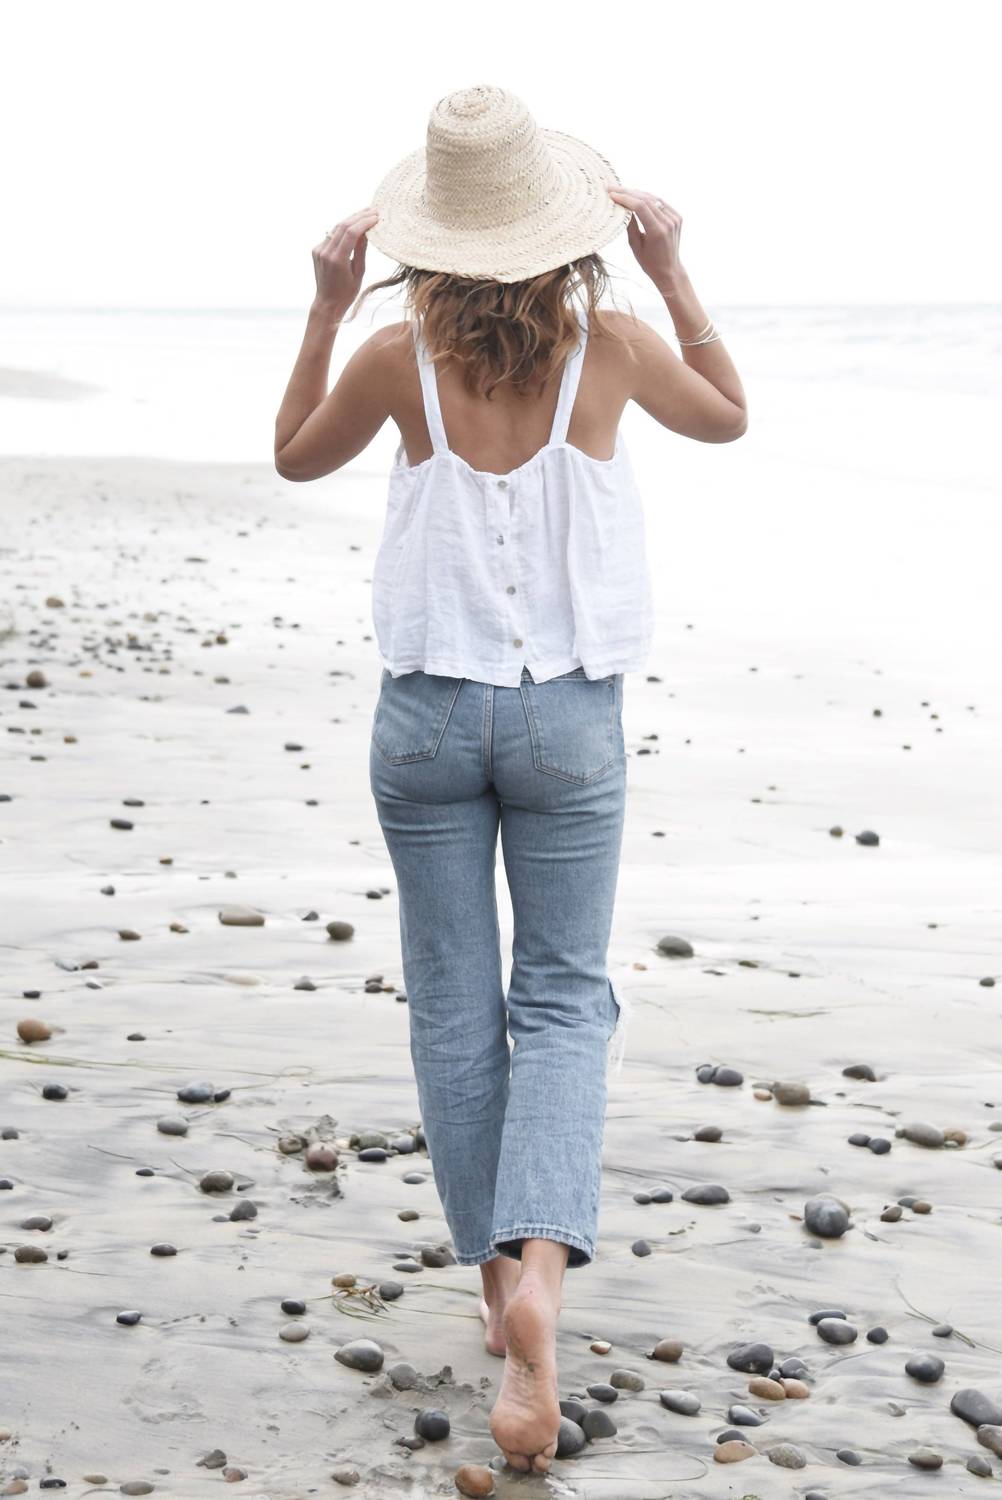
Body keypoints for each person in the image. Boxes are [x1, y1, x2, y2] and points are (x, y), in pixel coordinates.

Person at [274, 83, 747, 1476]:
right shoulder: (615, 345)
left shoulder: (394, 359)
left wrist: (324, 308)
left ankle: (494, 1289)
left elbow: (293, 458)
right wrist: (672, 269)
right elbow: (727, 416)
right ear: (560, 226)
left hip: (426, 717)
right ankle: (542, 1269)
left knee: (451, 1006)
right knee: (563, 1001)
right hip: (567, 720)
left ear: (430, 237)